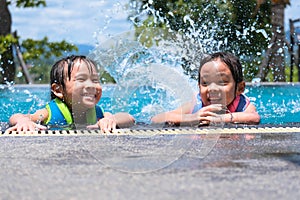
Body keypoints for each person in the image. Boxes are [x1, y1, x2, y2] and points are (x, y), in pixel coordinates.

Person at [7, 55, 135, 132]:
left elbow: (130, 118)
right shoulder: (49, 114)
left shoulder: (98, 113)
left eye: (95, 80)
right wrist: (23, 122)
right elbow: (16, 116)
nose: (91, 85)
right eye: (81, 79)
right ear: (58, 90)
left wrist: (110, 120)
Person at [151, 52, 260, 126]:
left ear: (239, 88)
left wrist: (221, 119)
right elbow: (157, 119)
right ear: (199, 87)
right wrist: (192, 118)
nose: (212, 88)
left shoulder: (241, 103)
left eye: (221, 82)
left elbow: (254, 118)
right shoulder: (196, 104)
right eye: (205, 83)